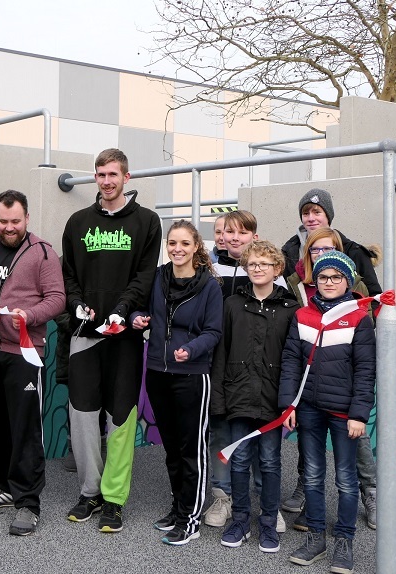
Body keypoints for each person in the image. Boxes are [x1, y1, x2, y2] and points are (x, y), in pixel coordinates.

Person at [62, 148, 162, 533]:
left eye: (112, 175)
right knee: (83, 417)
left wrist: (123, 308)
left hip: (125, 338)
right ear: (95, 177)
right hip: (85, 336)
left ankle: (114, 499)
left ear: (126, 177)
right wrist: (76, 304)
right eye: (101, 175)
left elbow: (145, 276)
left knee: (120, 420)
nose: (106, 181)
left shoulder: (147, 222)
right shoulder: (77, 222)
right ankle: (89, 492)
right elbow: (68, 274)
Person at [0, 189, 65, 536]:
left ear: (27, 218)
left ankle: (28, 503)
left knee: (25, 429)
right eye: (3, 221)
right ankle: (6, 486)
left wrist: (29, 315)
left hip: (25, 353)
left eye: (15, 221)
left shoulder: (43, 252)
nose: (8, 227)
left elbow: (57, 299)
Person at [280, 251, 375, 573]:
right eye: (323, 277)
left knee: (346, 480)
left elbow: (365, 370)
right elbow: (291, 363)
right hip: (308, 409)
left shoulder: (359, 318)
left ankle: (344, 542)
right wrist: (289, 405)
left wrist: (359, 414)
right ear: (315, 281)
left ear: (348, 281)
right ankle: (316, 539)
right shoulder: (302, 315)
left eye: (336, 277)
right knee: (312, 475)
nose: (329, 282)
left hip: (344, 413)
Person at [132, 220, 223, 546]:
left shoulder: (210, 286)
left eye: (185, 243)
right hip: (158, 371)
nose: (177, 249)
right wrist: (137, 318)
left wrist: (192, 349)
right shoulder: (158, 277)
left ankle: (190, 519)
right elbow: (139, 309)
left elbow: (214, 331)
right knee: (171, 448)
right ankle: (178, 507)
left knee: (191, 449)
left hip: (192, 375)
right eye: (172, 243)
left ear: (196, 246)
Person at [210, 241, 298, 553]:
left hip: (273, 400)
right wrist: (219, 401)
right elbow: (221, 354)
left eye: (264, 263)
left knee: (270, 461)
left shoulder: (290, 309)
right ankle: (240, 521)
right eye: (252, 264)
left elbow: (294, 360)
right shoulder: (232, 304)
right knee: (239, 459)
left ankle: (269, 522)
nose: (257, 268)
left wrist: (289, 403)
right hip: (238, 396)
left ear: (277, 269)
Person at [281, 188, 381, 297]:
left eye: (317, 212)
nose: (311, 218)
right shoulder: (288, 253)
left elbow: (374, 296)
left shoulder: (354, 252)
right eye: (305, 214)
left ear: (328, 216)